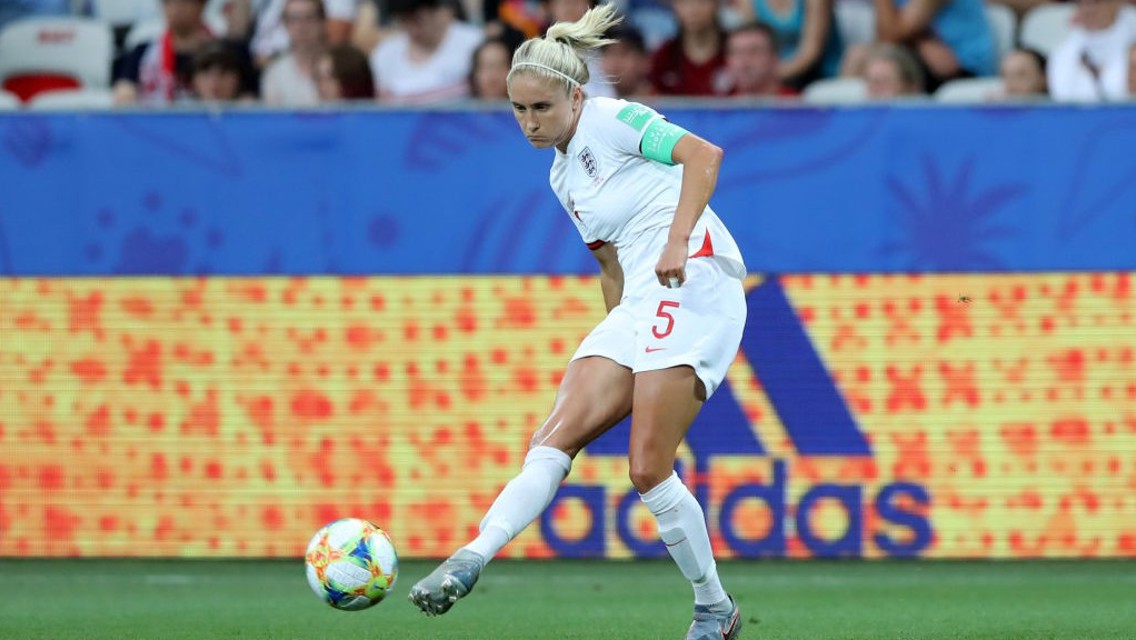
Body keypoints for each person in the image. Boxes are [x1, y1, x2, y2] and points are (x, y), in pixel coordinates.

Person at [408, 6, 747, 640]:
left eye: (541, 108)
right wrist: (622, 335)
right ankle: (472, 556)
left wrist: (676, 242)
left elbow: (704, 156)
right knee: (550, 440)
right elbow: (612, 267)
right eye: (519, 110)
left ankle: (713, 608)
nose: (530, 122)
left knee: (647, 468)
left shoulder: (613, 120)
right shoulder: (563, 178)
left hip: (695, 278)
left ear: (574, 94)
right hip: (643, 300)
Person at [842, 0, 995, 93]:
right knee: (858, 57)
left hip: (962, 69)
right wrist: (918, 41)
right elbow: (888, 38)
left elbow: (889, 35)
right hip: (921, 55)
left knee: (888, 71)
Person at [369, 0, 483, 103]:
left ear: (436, 12)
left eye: (418, 20)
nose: (413, 30)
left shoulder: (473, 43)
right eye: (404, 21)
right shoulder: (385, 54)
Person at [112, 0, 217, 106]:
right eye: (168, 2)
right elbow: (123, 94)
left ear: (202, 5)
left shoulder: (222, 55)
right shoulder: (143, 53)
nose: (176, 8)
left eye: (184, 2)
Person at [732, 0, 843, 89]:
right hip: (769, 73)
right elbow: (751, 41)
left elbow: (811, 53)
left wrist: (768, 76)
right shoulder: (747, 2)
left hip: (818, 74)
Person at [1047, 0, 1135, 102]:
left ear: (1117, 3)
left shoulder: (1133, 44)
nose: (1088, 9)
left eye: (1096, 2)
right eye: (1081, 3)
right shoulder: (1062, 54)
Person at [649, 0, 731, 95]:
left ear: (717, 5)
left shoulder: (738, 50)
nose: (693, 11)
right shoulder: (664, 56)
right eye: (684, 2)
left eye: (701, 2)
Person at [261, 0, 326, 105]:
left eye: (309, 18)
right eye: (294, 19)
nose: (302, 27)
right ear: (285, 25)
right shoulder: (275, 73)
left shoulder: (339, 67)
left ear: (322, 22)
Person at [724, 21, 799, 98]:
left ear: (775, 58)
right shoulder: (719, 106)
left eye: (754, 52)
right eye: (736, 53)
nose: (743, 63)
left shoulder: (799, 105)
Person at [600, 23, 655, 99]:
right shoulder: (592, 103)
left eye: (623, 53)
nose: (615, 62)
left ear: (644, 60)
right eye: (608, 53)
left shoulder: (666, 103)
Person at [188, 40, 253, 102]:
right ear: (193, 79)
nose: (215, 80)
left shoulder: (254, 109)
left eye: (224, 71)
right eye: (206, 70)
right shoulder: (181, 108)